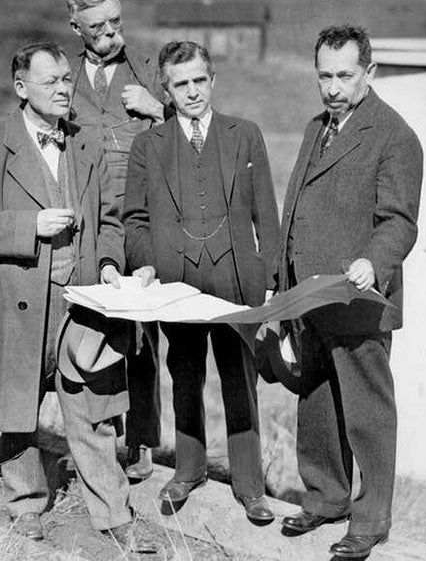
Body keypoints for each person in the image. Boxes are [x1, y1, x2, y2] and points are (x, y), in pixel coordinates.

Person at [0, 42, 157, 553]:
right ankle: (25, 505)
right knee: (18, 407)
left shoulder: (87, 146)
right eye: (51, 81)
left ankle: (114, 514)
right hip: (13, 298)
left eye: (66, 78)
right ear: (21, 88)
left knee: (93, 407)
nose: (65, 88)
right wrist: (28, 226)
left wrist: (107, 264)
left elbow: (109, 221)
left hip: (80, 302)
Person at [277, 25, 422, 558]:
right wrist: (283, 281)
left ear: (369, 72)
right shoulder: (318, 126)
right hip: (311, 298)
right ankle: (325, 497)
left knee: (367, 413)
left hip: (359, 299)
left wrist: (372, 261)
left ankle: (370, 519)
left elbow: (400, 223)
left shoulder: (395, 135)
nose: (333, 87)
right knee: (315, 401)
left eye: (344, 75)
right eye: (324, 75)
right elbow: (294, 207)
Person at [123, 41, 281, 523]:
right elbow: (134, 219)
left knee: (239, 379)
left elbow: (266, 216)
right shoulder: (149, 145)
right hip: (177, 285)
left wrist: (270, 279)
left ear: (213, 80)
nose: (192, 91)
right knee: (185, 375)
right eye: (180, 84)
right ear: (166, 91)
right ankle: (189, 470)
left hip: (237, 283)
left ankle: (250, 484)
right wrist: (149, 265)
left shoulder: (245, 134)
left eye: (199, 80)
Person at [66, 0, 165, 481]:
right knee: (91, 332)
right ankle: (99, 437)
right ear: (76, 26)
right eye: (98, 27)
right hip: (85, 226)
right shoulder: (62, 78)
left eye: (116, 23)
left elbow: (196, 120)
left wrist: (158, 109)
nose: (110, 35)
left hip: (137, 221)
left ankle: (143, 441)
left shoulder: (148, 69)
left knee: (141, 335)